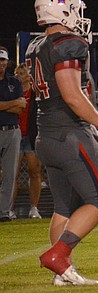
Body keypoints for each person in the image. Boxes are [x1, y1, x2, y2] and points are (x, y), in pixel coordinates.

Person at [26, 0, 98, 285]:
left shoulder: (35, 46)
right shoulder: (69, 42)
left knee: (64, 207)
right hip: (69, 133)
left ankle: (62, 273)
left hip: (46, 134)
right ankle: (59, 255)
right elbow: (72, 95)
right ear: (62, 10)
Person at [14, 63, 43, 219]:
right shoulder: (11, 91)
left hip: (31, 136)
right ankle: (8, 208)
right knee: (13, 173)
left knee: (35, 171)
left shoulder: (35, 93)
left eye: (21, 73)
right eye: (17, 73)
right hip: (15, 134)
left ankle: (34, 208)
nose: (18, 75)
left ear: (28, 76)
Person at [0, 47, 25, 221]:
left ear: (7, 62)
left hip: (12, 130)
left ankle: (3, 212)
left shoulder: (14, 82)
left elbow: (21, 107)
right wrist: (13, 103)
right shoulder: (14, 85)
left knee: (10, 174)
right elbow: (16, 104)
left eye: (2, 60)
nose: (0, 64)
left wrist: (5, 105)